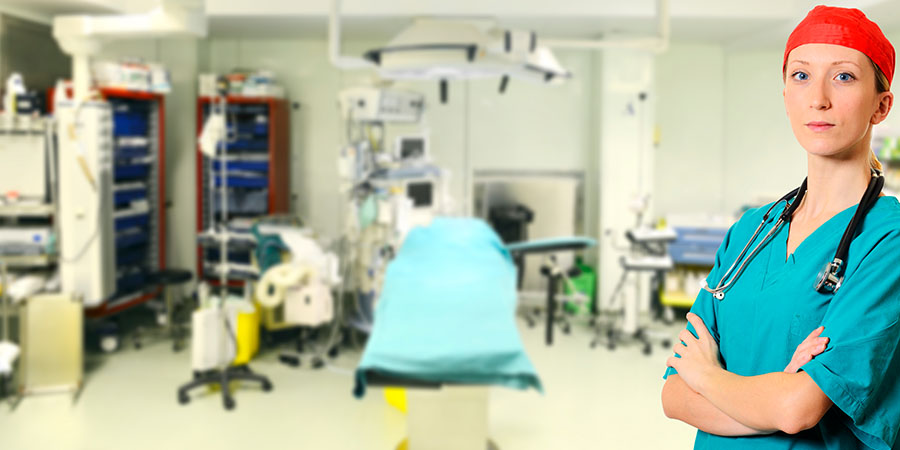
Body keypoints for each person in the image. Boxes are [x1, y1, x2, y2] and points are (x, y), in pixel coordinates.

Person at [661, 5, 900, 449]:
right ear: (785, 93)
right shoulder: (752, 231)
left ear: (881, 106)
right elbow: (674, 393)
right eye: (801, 76)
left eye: (844, 76)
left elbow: (798, 408)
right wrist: (772, 396)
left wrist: (709, 375)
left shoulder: (888, 241)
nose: (818, 98)